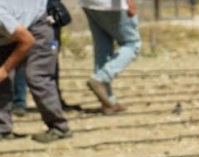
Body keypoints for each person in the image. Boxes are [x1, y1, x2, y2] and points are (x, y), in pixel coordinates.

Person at [0, 0, 72, 143]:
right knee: (3, 81)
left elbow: (27, 40)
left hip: (40, 22)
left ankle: (59, 127)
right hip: (14, 26)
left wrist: (4, 69)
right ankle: (3, 129)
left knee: (37, 76)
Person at [12, 0, 77, 115]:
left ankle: (53, 101)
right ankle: (19, 102)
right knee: (27, 59)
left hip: (46, 17)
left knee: (49, 59)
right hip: (36, 16)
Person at [80, 0, 141, 115]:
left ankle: (108, 103)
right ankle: (102, 77)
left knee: (102, 48)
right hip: (113, 6)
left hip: (89, 4)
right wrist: (130, 3)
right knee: (132, 44)